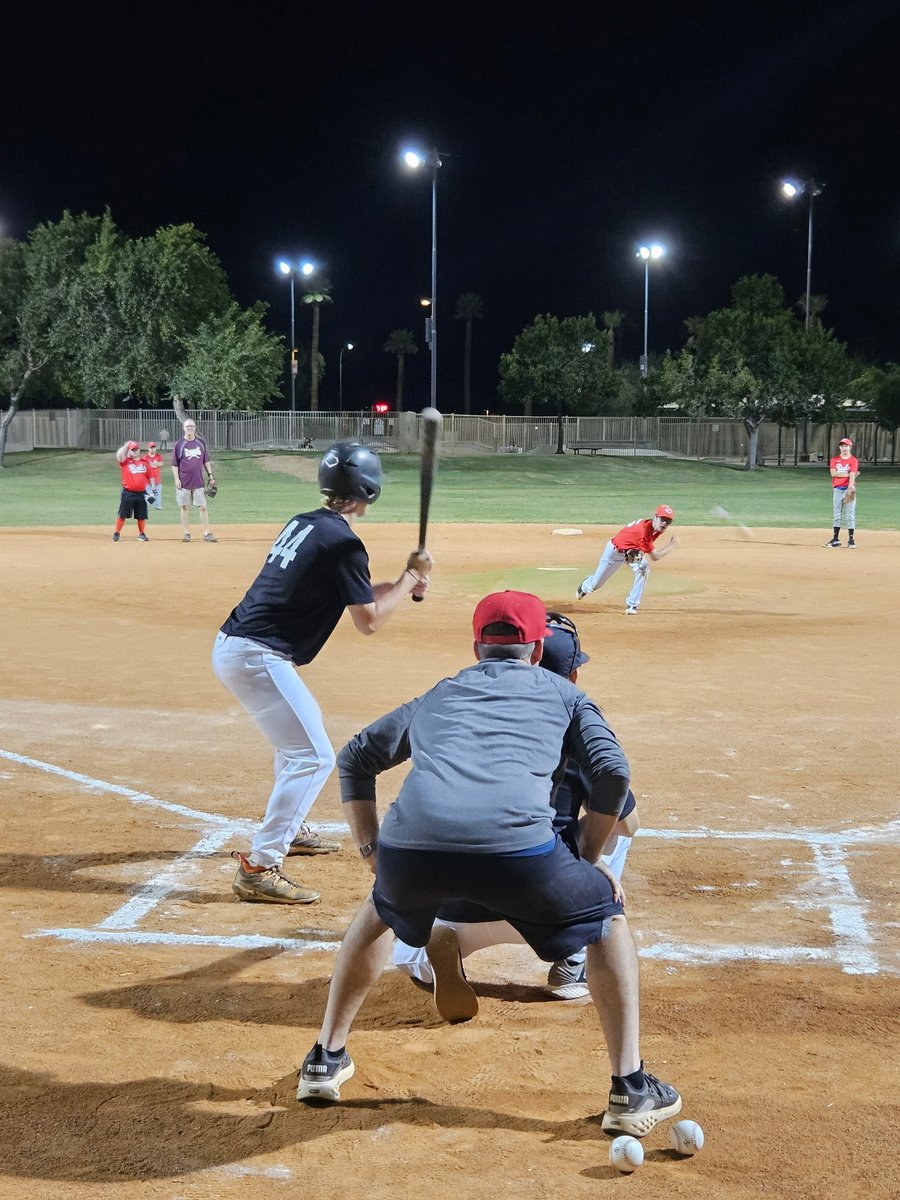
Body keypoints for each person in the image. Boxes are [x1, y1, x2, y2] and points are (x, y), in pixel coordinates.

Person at [297, 590, 681, 1140]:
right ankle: (630, 1086)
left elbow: (356, 755)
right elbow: (614, 776)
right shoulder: (566, 696)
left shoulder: (441, 692)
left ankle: (324, 1058)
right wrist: (588, 860)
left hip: (411, 853)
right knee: (608, 917)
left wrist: (372, 851)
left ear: (477, 644)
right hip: (519, 859)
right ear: (536, 645)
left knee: (380, 909)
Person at [212, 441, 433, 905]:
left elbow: (353, 594)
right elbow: (368, 621)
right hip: (259, 655)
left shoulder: (309, 524)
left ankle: (291, 830)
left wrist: (401, 582)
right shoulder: (344, 542)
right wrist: (411, 581)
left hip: (244, 648)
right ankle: (260, 867)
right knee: (312, 756)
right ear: (368, 490)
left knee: (294, 744)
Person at [390, 611, 640, 1002]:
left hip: (453, 904)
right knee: (617, 830)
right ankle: (572, 957)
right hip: (542, 901)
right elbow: (627, 821)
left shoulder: (458, 716)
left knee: (412, 949)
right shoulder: (579, 727)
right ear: (570, 676)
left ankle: (432, 952)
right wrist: (589, 855)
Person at [577, 504, 679, 615]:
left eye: (668, 521)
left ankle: (632, 604)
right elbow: (655, 556)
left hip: (630, 551)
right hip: (613, 552)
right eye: (662, 519)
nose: (664, 523)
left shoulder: (656, 528)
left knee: (643, 568)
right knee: (595, 585)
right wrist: (671, 545)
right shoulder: (644, 531)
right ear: (655, 517)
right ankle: (585, 585)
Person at [172, 418, 217, 543]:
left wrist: (211, 476)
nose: (190, 428)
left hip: (198, 480)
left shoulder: (200, 443)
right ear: (183, 428)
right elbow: (175, 464)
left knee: (203, 507)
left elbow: (206, 461)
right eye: (187, 426)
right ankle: (187, 533)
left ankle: (207, 532)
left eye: (192, 426)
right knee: (185, 507)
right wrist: (176, 479)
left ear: (195, 428)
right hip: (184, 481)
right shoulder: (179, 444)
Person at [112, 441, 152, 542]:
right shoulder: (125, 461)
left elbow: (150, 476)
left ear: (139, 450)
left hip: (141, 493)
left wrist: (152, 491)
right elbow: (119, 455)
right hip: (128, 492)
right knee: (123, 514)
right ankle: (117, 533)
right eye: (132, 449)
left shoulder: (144, 463)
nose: (135, 451)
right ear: (129, 451)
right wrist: (126, 446)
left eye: (136, 449)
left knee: (141, 515)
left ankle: (142, 534)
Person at [825, 437, 859, 548]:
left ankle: (851, 540)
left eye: (846, 446)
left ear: (850, 447)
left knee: (850, 514)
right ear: (840, 447)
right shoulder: (835, 460)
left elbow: (853, 474)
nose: (844, 448)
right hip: (838, 489)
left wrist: (850, 486)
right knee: (837, 514)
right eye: (842, 446)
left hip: (848, 490)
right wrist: (848, 474)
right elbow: (833, 474)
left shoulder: (853, 460)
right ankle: (835, 539)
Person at [143, 441, 164, 510]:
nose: (152, 449)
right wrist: (153, 465)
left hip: (157, 480)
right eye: (151, 448)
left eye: (154, 447)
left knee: (158, 494)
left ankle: (158, 506)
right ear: (148, 448)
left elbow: (161, 464)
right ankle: (145, 506)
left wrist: (154, 464)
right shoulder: (145, 457)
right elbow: (144, 466)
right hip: (148, 480)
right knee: (149, 495)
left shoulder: (158, 456)